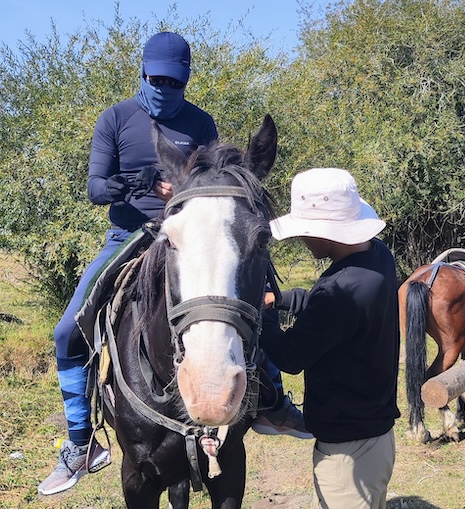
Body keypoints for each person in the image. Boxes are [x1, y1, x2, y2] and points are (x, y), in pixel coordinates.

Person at [40, 31, 307, 496]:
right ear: (142, 73)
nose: (165, 89)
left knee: (255, 287)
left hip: (194, 234)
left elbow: (215, 176)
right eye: (156, 79)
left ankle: (271, 397)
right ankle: (81, 442)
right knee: (68, 330)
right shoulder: (116, 119)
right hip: (129, 235)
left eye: (174, 82)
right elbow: (96, 189)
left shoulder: (201, 122)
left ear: (185, 80)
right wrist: (141, 182)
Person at [259, 168, 401, 508]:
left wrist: (263, 318)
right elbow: (336, 316)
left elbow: (291, 356)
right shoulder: (377, 257)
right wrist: (283, 299)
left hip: (346, 455)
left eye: (306, 231)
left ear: (327, 232)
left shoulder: (338, 292)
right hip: (376, 438)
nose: (303, 239)